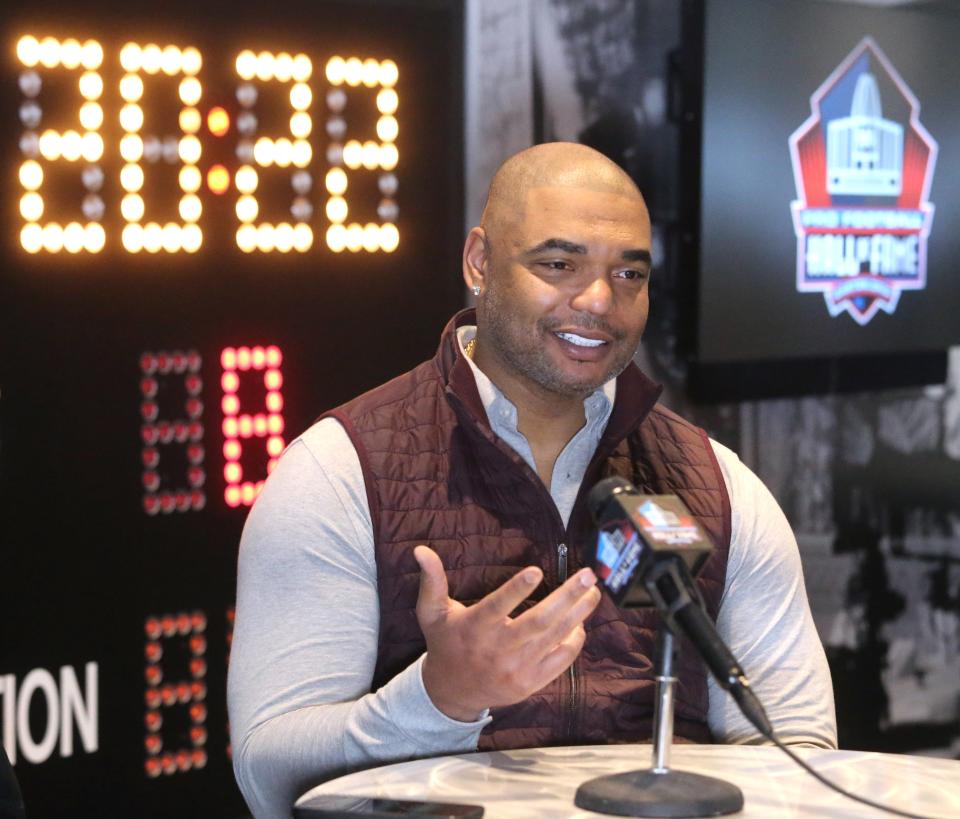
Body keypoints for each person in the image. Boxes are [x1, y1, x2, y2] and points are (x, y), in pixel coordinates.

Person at [228, 142, 836, 818]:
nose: (600, 300)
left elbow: (801, 750)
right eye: (559, 263)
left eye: (629, 274)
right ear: (480, 263)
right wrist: (440, 698)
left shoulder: (717, 482)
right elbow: (269, 771)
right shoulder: (341, 471)